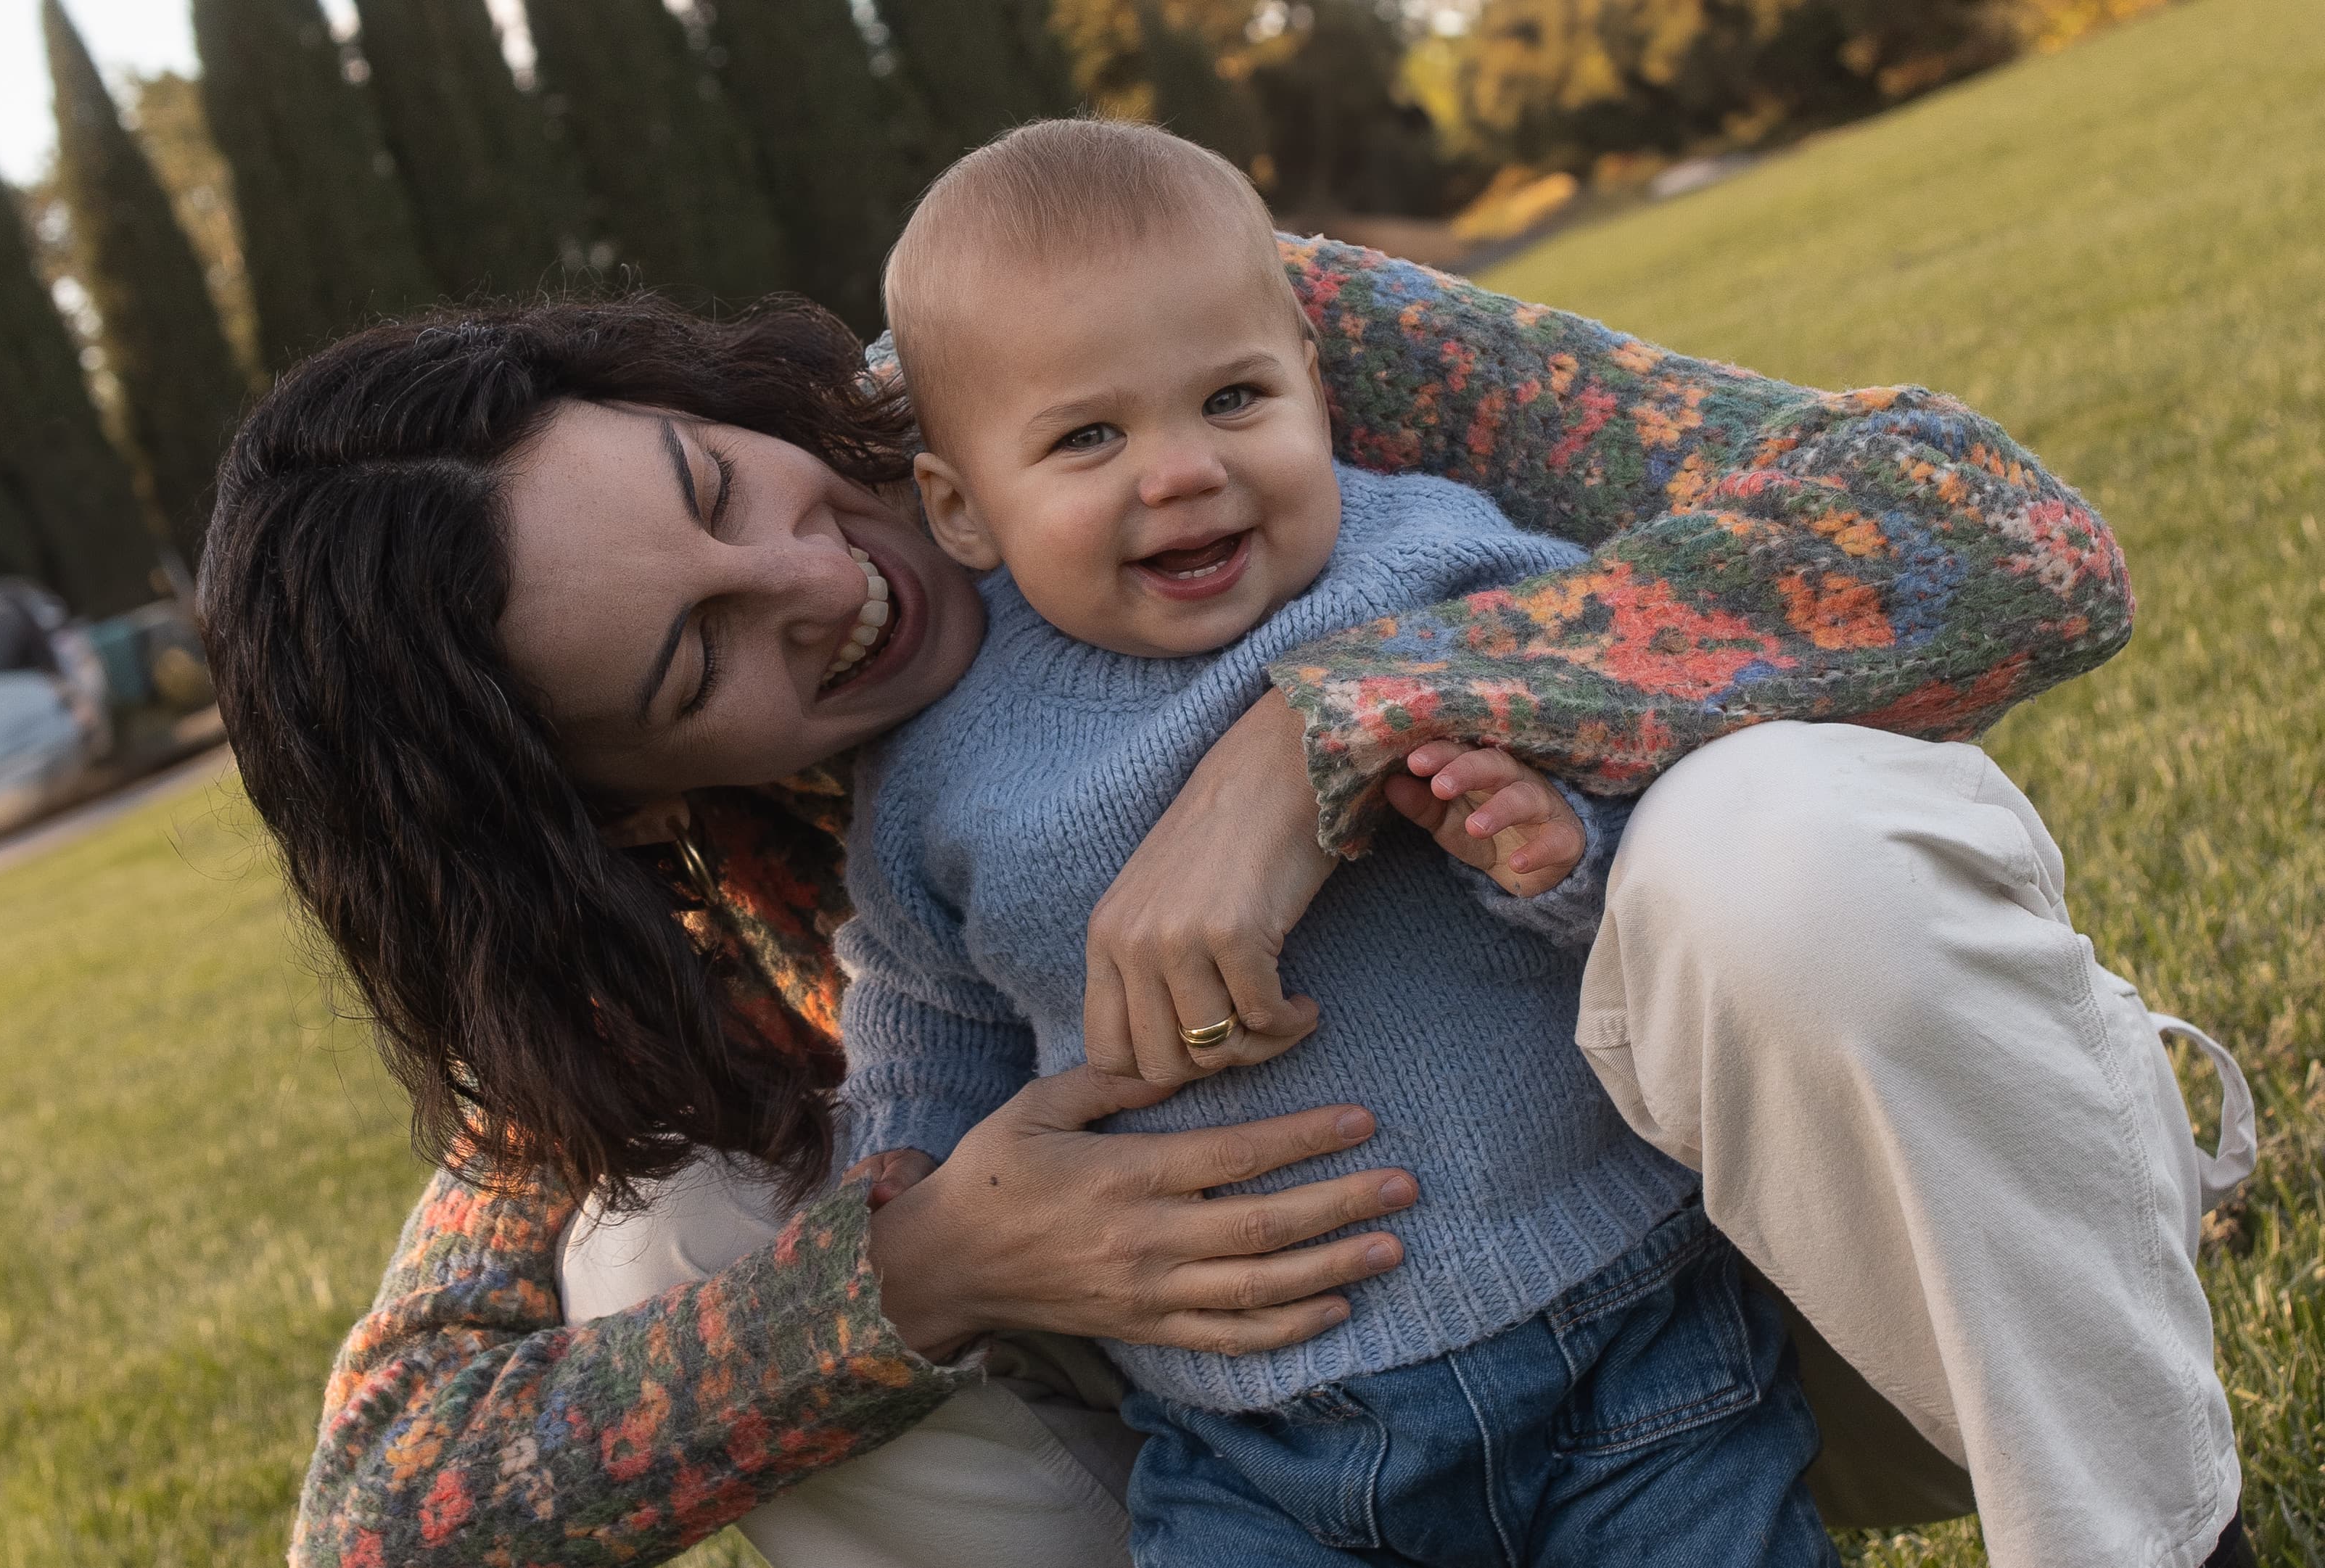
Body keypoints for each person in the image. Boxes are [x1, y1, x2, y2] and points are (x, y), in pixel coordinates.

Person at [197, 175, 2242, 1568]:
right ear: (615, 807)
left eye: (719, 484)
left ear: (667, 386)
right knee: (670, 1247)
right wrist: (921, 1273)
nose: (824, 579)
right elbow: (376, 1509)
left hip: (1822, 1294)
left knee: (1772, 851)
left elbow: (1994, 536)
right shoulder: (692, 906)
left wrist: (1326, 730)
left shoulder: (1141, 350)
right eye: (696, 658)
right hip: (1291, 1462)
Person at [833, 117, 1832, 1565]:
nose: (1178, 470)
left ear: (1310, 378)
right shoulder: (939, 764)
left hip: (1622, 1345)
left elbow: (1673, 806)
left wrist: (1558, 848)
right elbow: (922, 994)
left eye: (1231, 397)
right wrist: (908, 1148)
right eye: (1088, 436)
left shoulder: (1437, 570)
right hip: (1247, 1449)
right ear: (959, 508)